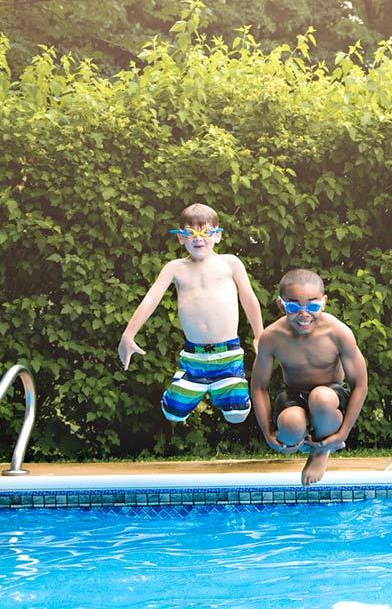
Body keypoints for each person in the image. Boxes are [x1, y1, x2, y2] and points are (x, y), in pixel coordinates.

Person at [118, 203, 263, 425]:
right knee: (173, 413)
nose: (198, 238)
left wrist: (259, 334)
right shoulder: (175, 268)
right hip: (193, 357)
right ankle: (186, 387)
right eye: (190, 233)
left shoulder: (230, 263)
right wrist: (128, 334)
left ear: (218, 236)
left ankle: (223, 388)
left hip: (228, 354)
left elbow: (248, 298)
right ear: (180, 238)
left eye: (205, 232)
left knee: (237, 414)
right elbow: (151, 299)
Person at [250, 269, 368, 485]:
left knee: (320, 397)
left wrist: (343, 434)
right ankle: (307, 441)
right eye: (294, 307)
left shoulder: (337, 332)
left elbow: (360, 384)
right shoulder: (272, 337)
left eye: (312, 306)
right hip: (293, 395)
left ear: (324, 303)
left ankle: (321, 452)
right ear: (281, 305)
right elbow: (259, 387)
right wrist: (268, 434)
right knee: (290, 426)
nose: (304, 314)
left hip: (330, 396)